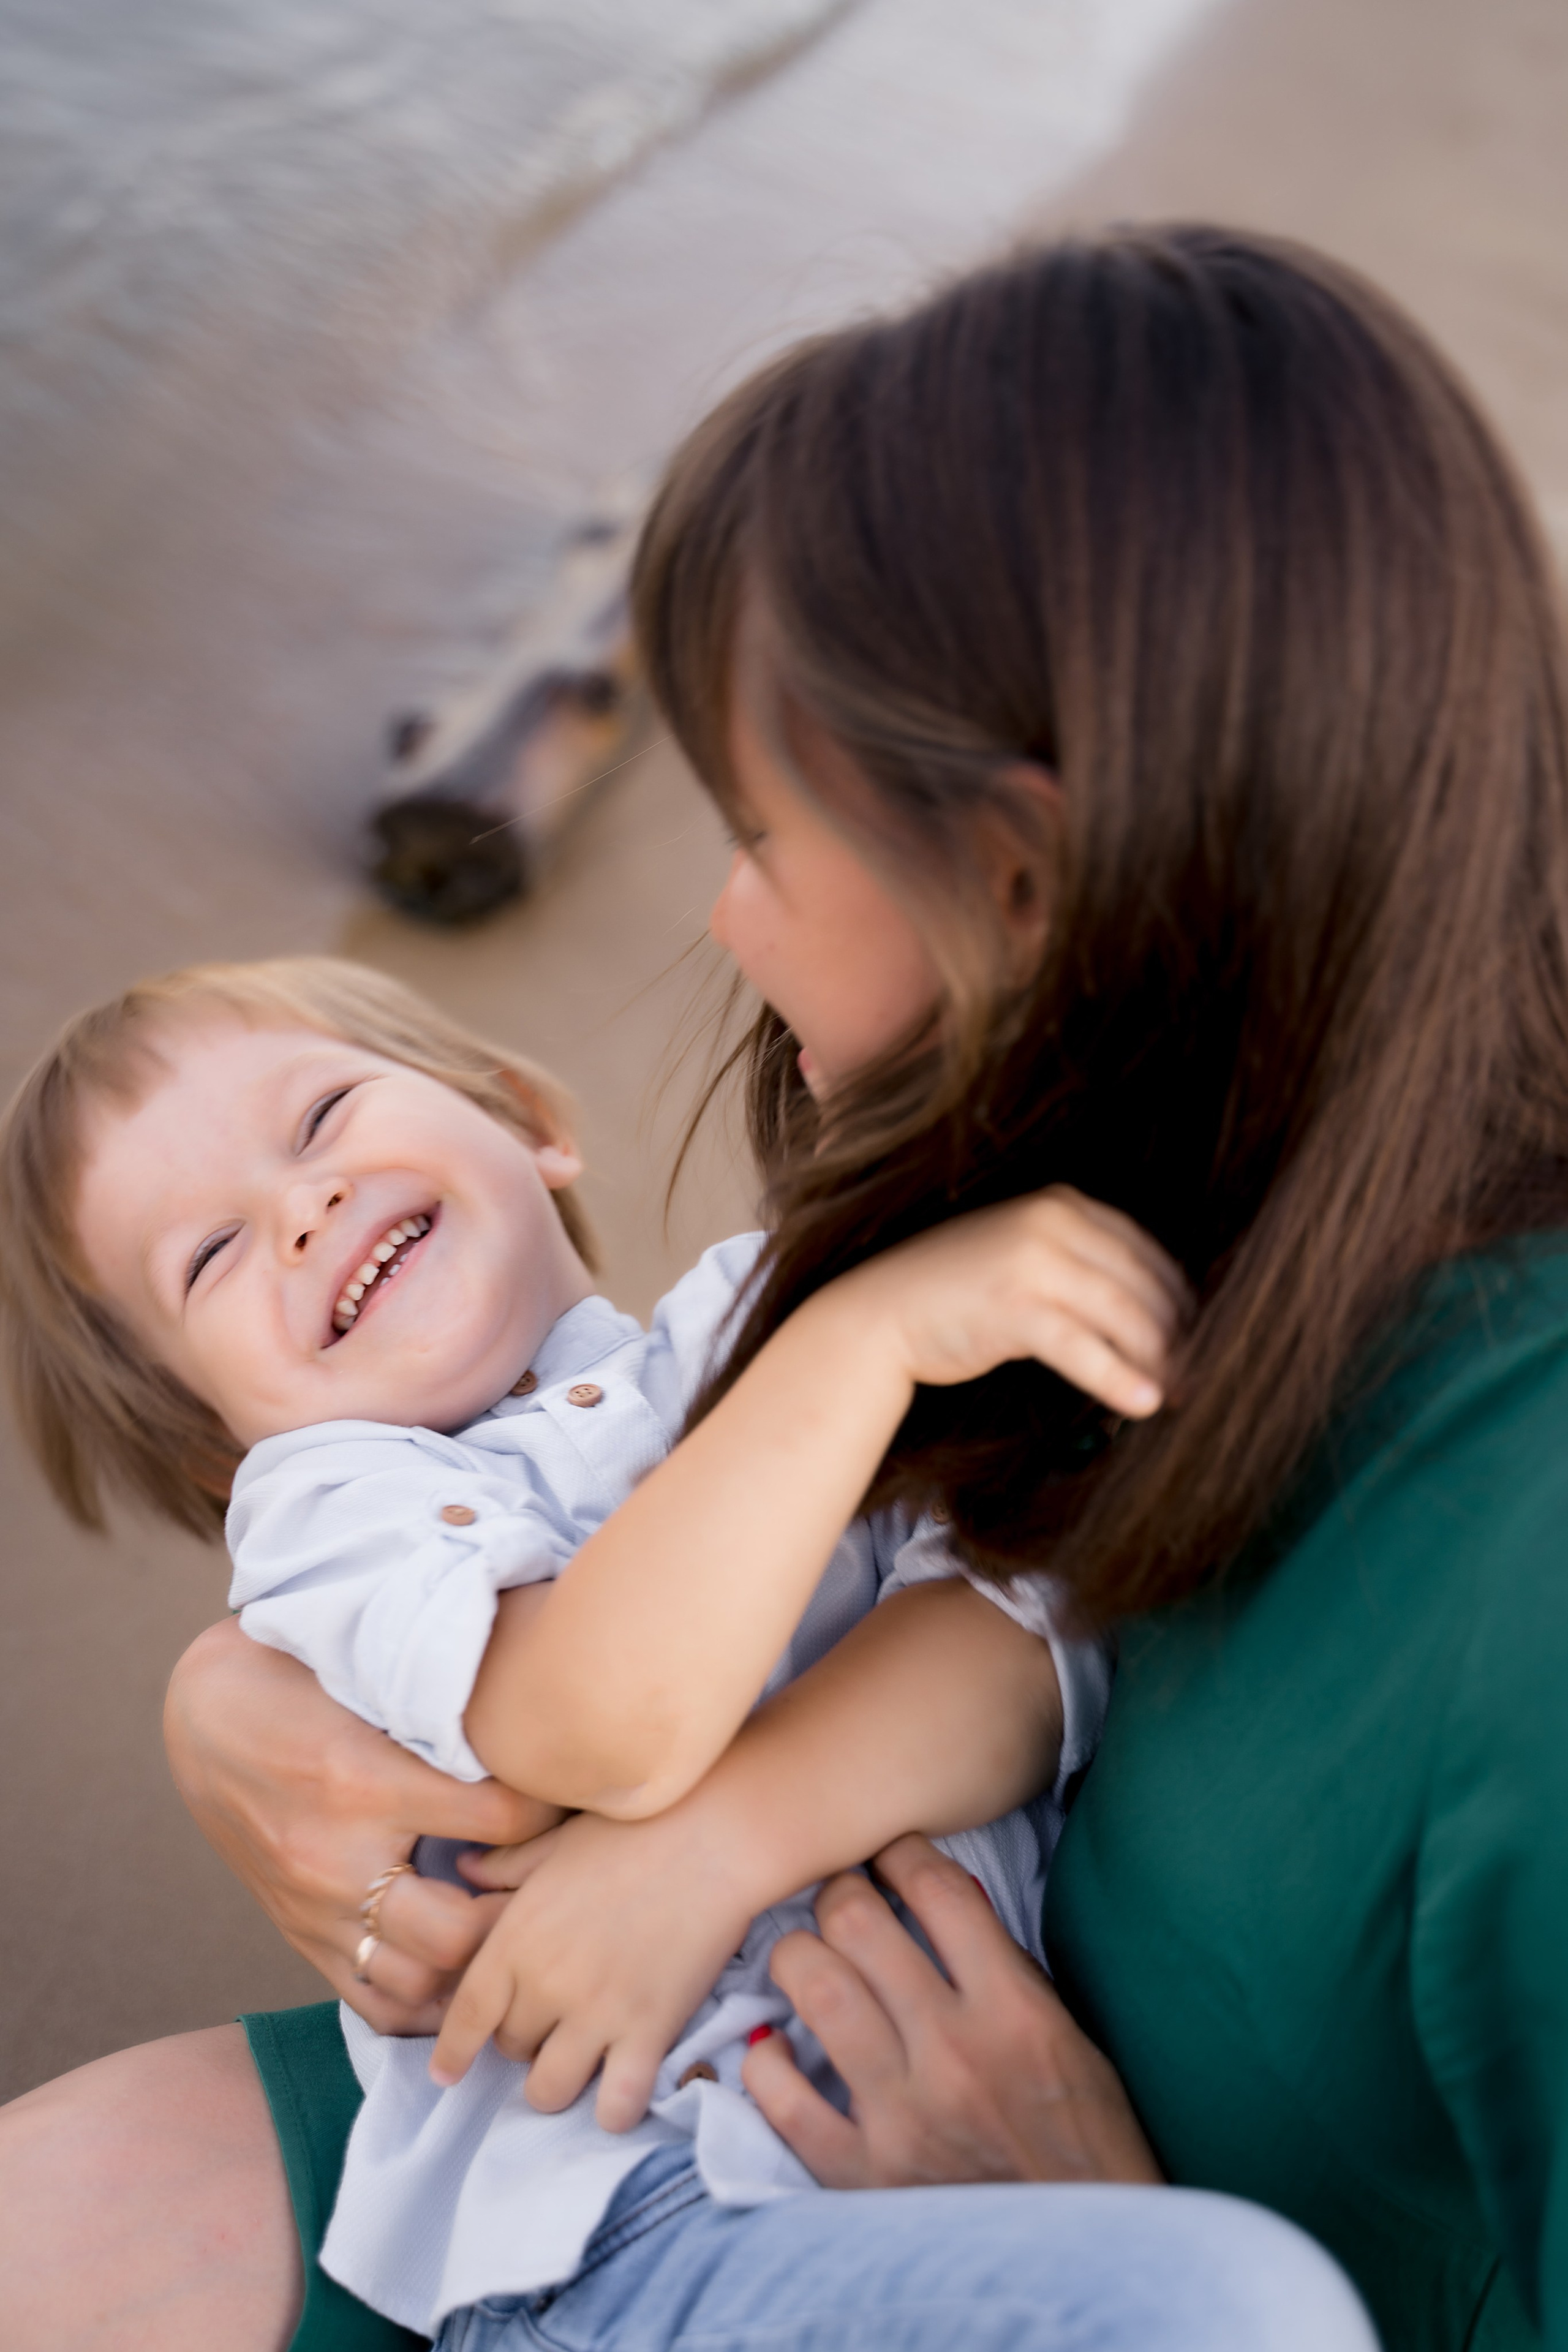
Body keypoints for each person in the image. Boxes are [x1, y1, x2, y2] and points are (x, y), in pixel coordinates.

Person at [7, 213, 1565, 2351]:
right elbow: (682, 1653)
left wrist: (1083, 2210)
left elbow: (980, 1630)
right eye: (209, 1250)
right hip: (615, 2130)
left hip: (920, 2206)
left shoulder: (1497, 1537)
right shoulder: (1087, 1222)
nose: (729, 926)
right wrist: (241, 1705)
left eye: (753, 832)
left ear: (1019, 877)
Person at [0, 951, 1170, 2337]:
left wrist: (849, 1331)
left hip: (947, 2109)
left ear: (526, 1118)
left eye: (319, 1118)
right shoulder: (330, 1516)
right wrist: (864, 1343)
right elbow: (600, 1724)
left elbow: (1020, 1640)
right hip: (624, 2222)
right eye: (209, 1255)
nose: (299, 1211)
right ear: (217, 1446)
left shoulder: (767, 1308)